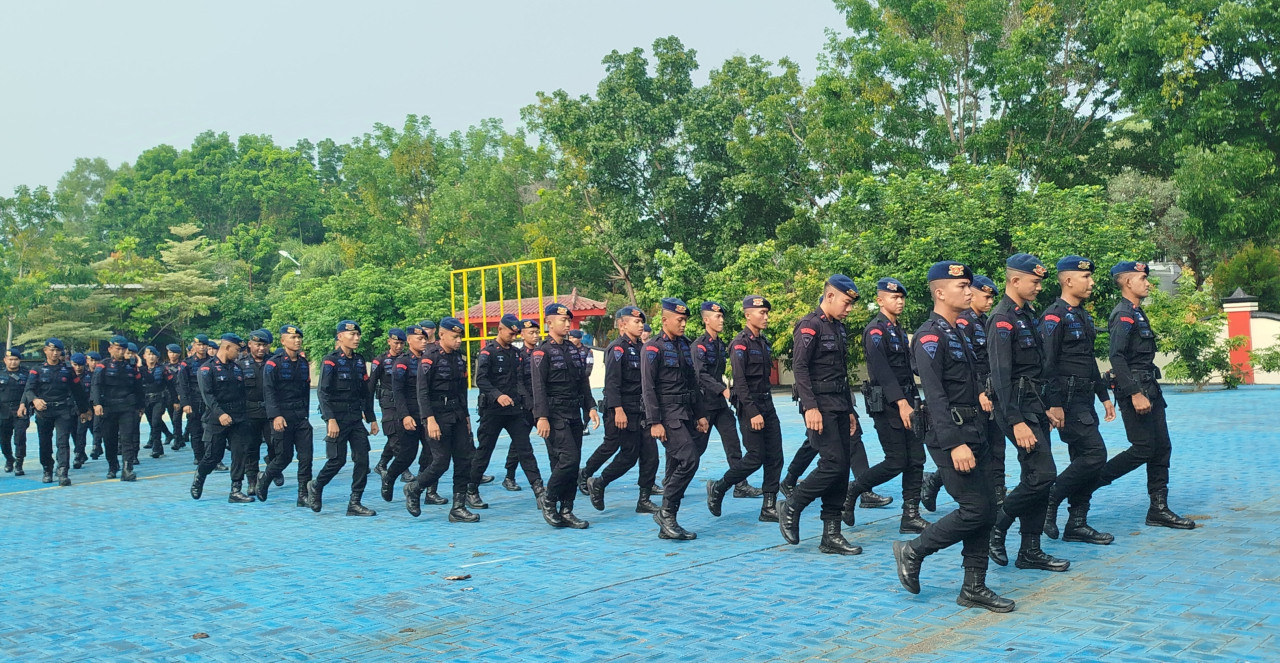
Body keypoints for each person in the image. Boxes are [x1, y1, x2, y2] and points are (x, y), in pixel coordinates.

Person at [892, 260, 1014, 613]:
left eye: (969, 286)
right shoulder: (930, 335)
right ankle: (913, 549)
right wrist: (955, 442)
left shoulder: (957, 330)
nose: (968, 291)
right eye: (961, 287)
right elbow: (935, 395)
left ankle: (974, 587)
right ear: (940, 292)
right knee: (976, 508)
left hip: (974, 429)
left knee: (987, 508)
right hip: (951, 435)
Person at [1091, 261, 1195, 530]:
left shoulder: (1137, 313)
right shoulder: (1123, 314)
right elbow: (1117, 356)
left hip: (1151, 387)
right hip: (1136, 390)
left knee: (1161, 448)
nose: (1148, 283)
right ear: (1127, 283)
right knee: (1142, 449)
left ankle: (1158, 509)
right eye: (1142, 279)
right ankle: (1085, 485)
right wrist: (1135, 393)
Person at [986, 253, 1069, 572]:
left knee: (1037, 478)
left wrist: (1049, 404)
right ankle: (999, 524)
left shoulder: (1026, 315)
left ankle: (1030, 550)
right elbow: (1001, 377)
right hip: (1015, 409)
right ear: (1015, 280)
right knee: (1044, 473)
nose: (1038, 287)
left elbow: (1040, 368)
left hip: (1033, 405)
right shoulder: (1002, 318)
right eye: (1033, 281)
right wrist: (1016, 421)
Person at [777, 276, 863, 555]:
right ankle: (792, 505)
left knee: (842, 468)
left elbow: (840, 372)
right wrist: (810, 406)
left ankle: (831, 534)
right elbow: (800, 369)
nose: (849, 309)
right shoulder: (809, 325)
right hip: (819, 405)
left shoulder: (838, 328)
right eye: (846, 302)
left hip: (838, 403)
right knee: (833, 463)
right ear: (829, 296)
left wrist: (850, 409)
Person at [842, 278, 929, 533]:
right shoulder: (875, 331)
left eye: (902, 298)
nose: (899, 302)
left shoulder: (899, 331)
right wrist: (901, 403)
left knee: (916, 460)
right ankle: (854, 489)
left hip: (909, 402)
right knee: (896, 461)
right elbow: (882, 371)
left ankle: (910, 515)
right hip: (890, 405)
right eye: (894, 298)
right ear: (880, 300)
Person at [922, 274, 1003, 510]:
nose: (988, 302)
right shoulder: (957, 325)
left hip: (986, 394)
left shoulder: (980, 322)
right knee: (974, 504)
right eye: (985, 296)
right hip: (968, 401)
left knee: (993, 449)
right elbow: (939, 386)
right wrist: (979, 392)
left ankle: (995, 494)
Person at [706, 295, 783, 523]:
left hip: (766, 403)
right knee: (755, 457)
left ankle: (768, 506)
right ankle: (720, 487)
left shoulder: (763, 342)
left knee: (775, 456)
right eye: (762, 313)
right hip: (749, 405)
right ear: (748, 315)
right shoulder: (740, 343)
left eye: (767, 313)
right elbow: (739, 381)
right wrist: (752, 411)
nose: (766, 317)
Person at [643, 298, 711, 540]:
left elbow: (693, 384)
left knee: (675, 466)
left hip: (686, 413)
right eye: (679, 320)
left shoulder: (684, 346)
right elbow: (648, 387)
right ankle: (666, 513)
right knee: (689, 459)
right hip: (667, 415)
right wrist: (654, 422)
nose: (683, 324)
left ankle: (668, 521)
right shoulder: (653, 348)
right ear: (665, 320)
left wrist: (701, 414)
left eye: (685, 320)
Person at [531, 303, 600, 529]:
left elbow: (583, 382)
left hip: (573, 413)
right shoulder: (542, 352)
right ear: (549, 323)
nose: (567, 324)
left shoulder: (573, 350)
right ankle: (549, 500)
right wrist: (541, 417)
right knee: (568, 460)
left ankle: (567, 509)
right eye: (562, 320)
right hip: (553, 414)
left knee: (572, 461)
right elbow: (538, 387)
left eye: (568, 320)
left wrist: (590, 407)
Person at [584, 306, 659, 514]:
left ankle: (644, 499)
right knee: (628, 455)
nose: (641, 325)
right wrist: (617, 409)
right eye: (636, 322)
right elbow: (612, 383)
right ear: (622, 324)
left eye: (641, 322)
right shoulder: (617, 348)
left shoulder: (642, 348)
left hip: (642, 409)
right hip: (624, 410)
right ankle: (599, 483)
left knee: (651, 455)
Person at [403, 317, 479, 522]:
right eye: (454, 336)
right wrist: (430, 419)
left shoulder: (459, 358)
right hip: (437, 415)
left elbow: (462, 390)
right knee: (441, 461)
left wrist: (467, 417)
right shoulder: (430, 357)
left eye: (460, 336)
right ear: (442, 335)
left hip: (457, 414)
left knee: (465, 459)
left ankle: (458, 507)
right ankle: (414, 488)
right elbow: (422, 391)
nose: (459, 340)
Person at [471, 314, 541, 508]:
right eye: (511, 333)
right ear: (500, 329)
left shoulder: (516, 354)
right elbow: (481, 380)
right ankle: (471, 490)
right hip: (493, 411)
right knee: (484, 451)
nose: (513, 337)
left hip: (514, 410)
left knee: (525, 450)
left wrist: (528, 403)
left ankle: (539, 491)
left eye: (516, 334)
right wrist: (497, 395)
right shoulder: (488, 353)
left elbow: (519, 381)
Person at [310, 321, 379, 516]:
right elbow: (323, 393)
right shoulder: (330, 360)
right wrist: (330, 419)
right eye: (352, 335)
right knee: (337, 460)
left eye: (358, 334)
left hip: (355, 417)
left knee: (362, 460)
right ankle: (316, 485)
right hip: (337, 418)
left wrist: (372, 418)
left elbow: (366, 393)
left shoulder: (359, 360)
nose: (356, 338)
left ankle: (355, 502)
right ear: (340, 337)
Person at [694, 301, 761, 499]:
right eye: (717, 317)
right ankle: (672, 478)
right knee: (696, 447)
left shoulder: (720, 345)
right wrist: (721, 389)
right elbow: (700, 374)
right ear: (706, 320)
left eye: (722, 316)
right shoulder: (699, 346)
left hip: (720, 405)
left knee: (733, 443)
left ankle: (740, 484)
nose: (721, 320)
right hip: (704, 404)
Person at [383, 325, 446, 508]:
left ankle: (428, 491)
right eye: (419, 339)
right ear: (409, 340)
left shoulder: (430, 359)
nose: (423, 342)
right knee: (407, 455)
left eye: (425, 339)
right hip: (409, 414)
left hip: (427, 414)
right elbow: (398, 391)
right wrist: (404, 416)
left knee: (432, 455)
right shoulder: (403, 362)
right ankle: (390, 476)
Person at [255, 324, 313, 506]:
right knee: (284, 456)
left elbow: (305, 391)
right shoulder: (274, 363)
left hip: (300, 416)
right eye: (292, 338)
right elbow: (269, 391)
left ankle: (303, 494)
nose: (297, 341)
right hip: (282, 415)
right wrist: (275, 416)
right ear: (282, 341)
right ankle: (264, 481)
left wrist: (305, 413)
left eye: (298, 338)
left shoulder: (303, 363)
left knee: (306, 456)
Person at [191, 334, 251, 502]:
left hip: (238, 418)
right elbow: (207, 396)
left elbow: (242, 393)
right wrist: (221, 414)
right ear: (227, 348)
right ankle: (200, 477)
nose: (238, 354)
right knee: (213, 457)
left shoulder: (237, 368)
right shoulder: (206, 369)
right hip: (216, 418)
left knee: (240, 453)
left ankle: (236, 490)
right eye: (237, 350)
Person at [24, 339, 90, 485]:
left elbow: (78, 391)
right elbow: (29, 389)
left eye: (57, 351)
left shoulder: (68, 370)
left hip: (63, 410)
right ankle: (47, 469)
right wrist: (34, 400)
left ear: (61, 352)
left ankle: (62, 471)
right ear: (45, 350)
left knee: (63, 441)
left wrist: (84, 410)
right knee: (45, 442)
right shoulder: (37, 370)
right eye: (51, 350)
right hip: (44, 410)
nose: (54, 353)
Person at [501, 318, 546, 495]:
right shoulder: (520, 355)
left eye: (537, 332)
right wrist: (529, 403)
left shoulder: (543, 353)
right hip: (526, 405)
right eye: (531, 333)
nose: (535, 336)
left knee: (552, 440)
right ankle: (509, 475)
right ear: (523, 334)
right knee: (520, 443)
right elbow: (518, 382)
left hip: (542, 403)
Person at [91, 336, 144, 482]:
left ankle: (127, 468)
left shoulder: (131, 366)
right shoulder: (103, 366)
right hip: (108, 407)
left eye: (123, 349)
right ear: (110, 349)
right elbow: (96, 385)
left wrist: (140, 405)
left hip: (127, 406)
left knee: (127, 438)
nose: (120, 352)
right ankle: (112, 465)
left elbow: (138, 387)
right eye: (117, 349)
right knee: (110, 439)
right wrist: (97, 403)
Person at [235, 329, 274, 495]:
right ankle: (252, 481)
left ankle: (272, 471)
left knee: (276, 445)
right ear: (250, 344)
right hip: (249, 411)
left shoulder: (273, 362)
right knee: (251, 448)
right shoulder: (239, 364)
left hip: (270, 411)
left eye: (264, 345)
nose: (261, 348)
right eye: (257, 344)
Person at [371, 328, 406, 480]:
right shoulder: (380, 360)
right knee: (393, 433)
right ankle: (403, 469)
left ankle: (382, 463)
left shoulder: (407, 358)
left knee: (401, 434)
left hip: (403, 402)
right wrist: (367, 410)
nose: (399, 346)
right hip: (388, 402)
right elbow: (371, 385)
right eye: (396, 343)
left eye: (401, 343)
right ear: (389, 342)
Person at [177, 335, 213, 467]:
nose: (202, 347)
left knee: (210, 430)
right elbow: (182, 384)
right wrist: (185, 404)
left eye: (204, 345)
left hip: (209, 400)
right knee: (196, 429)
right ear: (194, 346)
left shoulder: (213, 361)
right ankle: (198, 456)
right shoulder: (187, 363)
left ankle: (212, 456)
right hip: (194, 400)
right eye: (199, 345)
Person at [140, 346, 174, 460]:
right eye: (148, 354)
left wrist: (176, 400)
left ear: (157, 357)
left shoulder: (163, 369)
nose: (151, 357)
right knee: (152, 422)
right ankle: (159, 445)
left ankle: (156, 447)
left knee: (155, 422)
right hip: (145, 399)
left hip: (159, 398)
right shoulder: (141, 369)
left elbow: (171, 384)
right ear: (144, 356)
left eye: (153, 355)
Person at [1, 348, 30, 475]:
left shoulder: (27, 374)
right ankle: (9, 459)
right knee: (3, 439)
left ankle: (19, 462)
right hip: (3, 411)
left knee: (20, 437)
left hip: (20, 410)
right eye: (10, 360)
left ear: (20, 360)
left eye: (15, 359)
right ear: (5, 360)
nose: (13, 362)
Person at [568, 329, 595, 435]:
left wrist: (582, 377)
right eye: (570, 338)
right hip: (571, 382)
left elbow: (589, 366)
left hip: (583, 381)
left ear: (579, 338)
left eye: (573, 337)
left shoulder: (587, 351)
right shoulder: (568, 350)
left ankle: (585, 425)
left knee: (585, 404)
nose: (571, 340)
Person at [68, 353, 91, 468]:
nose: (78, 368)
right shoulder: (67, 375)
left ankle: (77, 455)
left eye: (80, 365)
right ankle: (81, 453)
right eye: (75, 365)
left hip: (84, 409)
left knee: (81, 432)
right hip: (70, 409)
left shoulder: (89, 376)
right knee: (73, 432)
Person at [165, 344, 186, 451]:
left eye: (174, 353)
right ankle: (179, 438)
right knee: (173, 418)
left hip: (181, 395)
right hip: (169, 396)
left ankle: (177, 439)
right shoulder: (165, 367)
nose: (172, 355)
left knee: (177, 418)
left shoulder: (182, 365)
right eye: (170, 352)